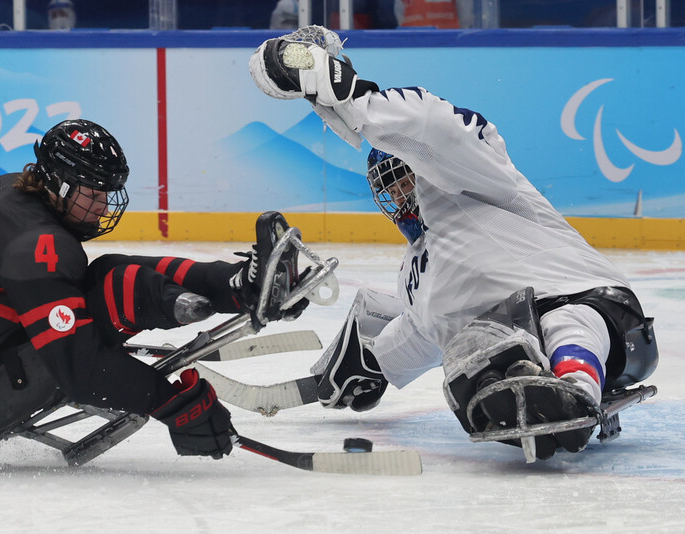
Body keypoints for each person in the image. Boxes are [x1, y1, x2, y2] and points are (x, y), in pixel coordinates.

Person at [249, 27, 658, 460]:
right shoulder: (416, 273)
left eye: (407, 177)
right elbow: (425, 333)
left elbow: (437, 127)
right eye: (392, 185)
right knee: (472, 354)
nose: (403, 193)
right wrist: (372, 361)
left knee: (563, 324)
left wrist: (348, 94)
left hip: (598, 310)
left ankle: (574, 388)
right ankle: (528, 391)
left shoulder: (474, 180)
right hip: (510, 341)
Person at [0, 118, 302, 461]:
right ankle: (218, 293)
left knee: (107, 269)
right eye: (95, 193)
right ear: (60, 183)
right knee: (119, 286)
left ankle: (242, 285)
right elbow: (79, 370)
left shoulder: (16, 193)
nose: (104, 207)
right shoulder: (36, 246)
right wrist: (172, 405)